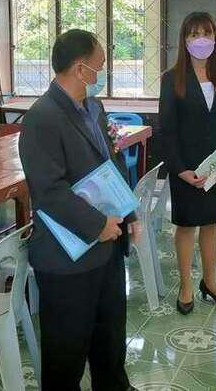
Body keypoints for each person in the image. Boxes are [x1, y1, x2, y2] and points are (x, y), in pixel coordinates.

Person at [19, 29, 140, 391]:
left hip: (108, 245)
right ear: (79, 68)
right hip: (68, 256)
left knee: (110, 337)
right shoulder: (41, 118)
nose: (102, 72)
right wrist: (97, 224)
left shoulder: (94, 108)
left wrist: (129, 212)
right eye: (99, 66)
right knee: (66, 351)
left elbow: (110, 164)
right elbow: (49, 192)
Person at [159, 12, 216, 315]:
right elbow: (166, 128)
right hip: (185, 167)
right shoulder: (172, 78)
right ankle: (185, 286)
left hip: (215, 165)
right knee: (186, 226)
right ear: (184, 40)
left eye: (206, 34)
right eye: (194, 34)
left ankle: (210, 283)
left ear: (215, 38)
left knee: (210, 223)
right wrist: (180, 169)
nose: (201, 40)